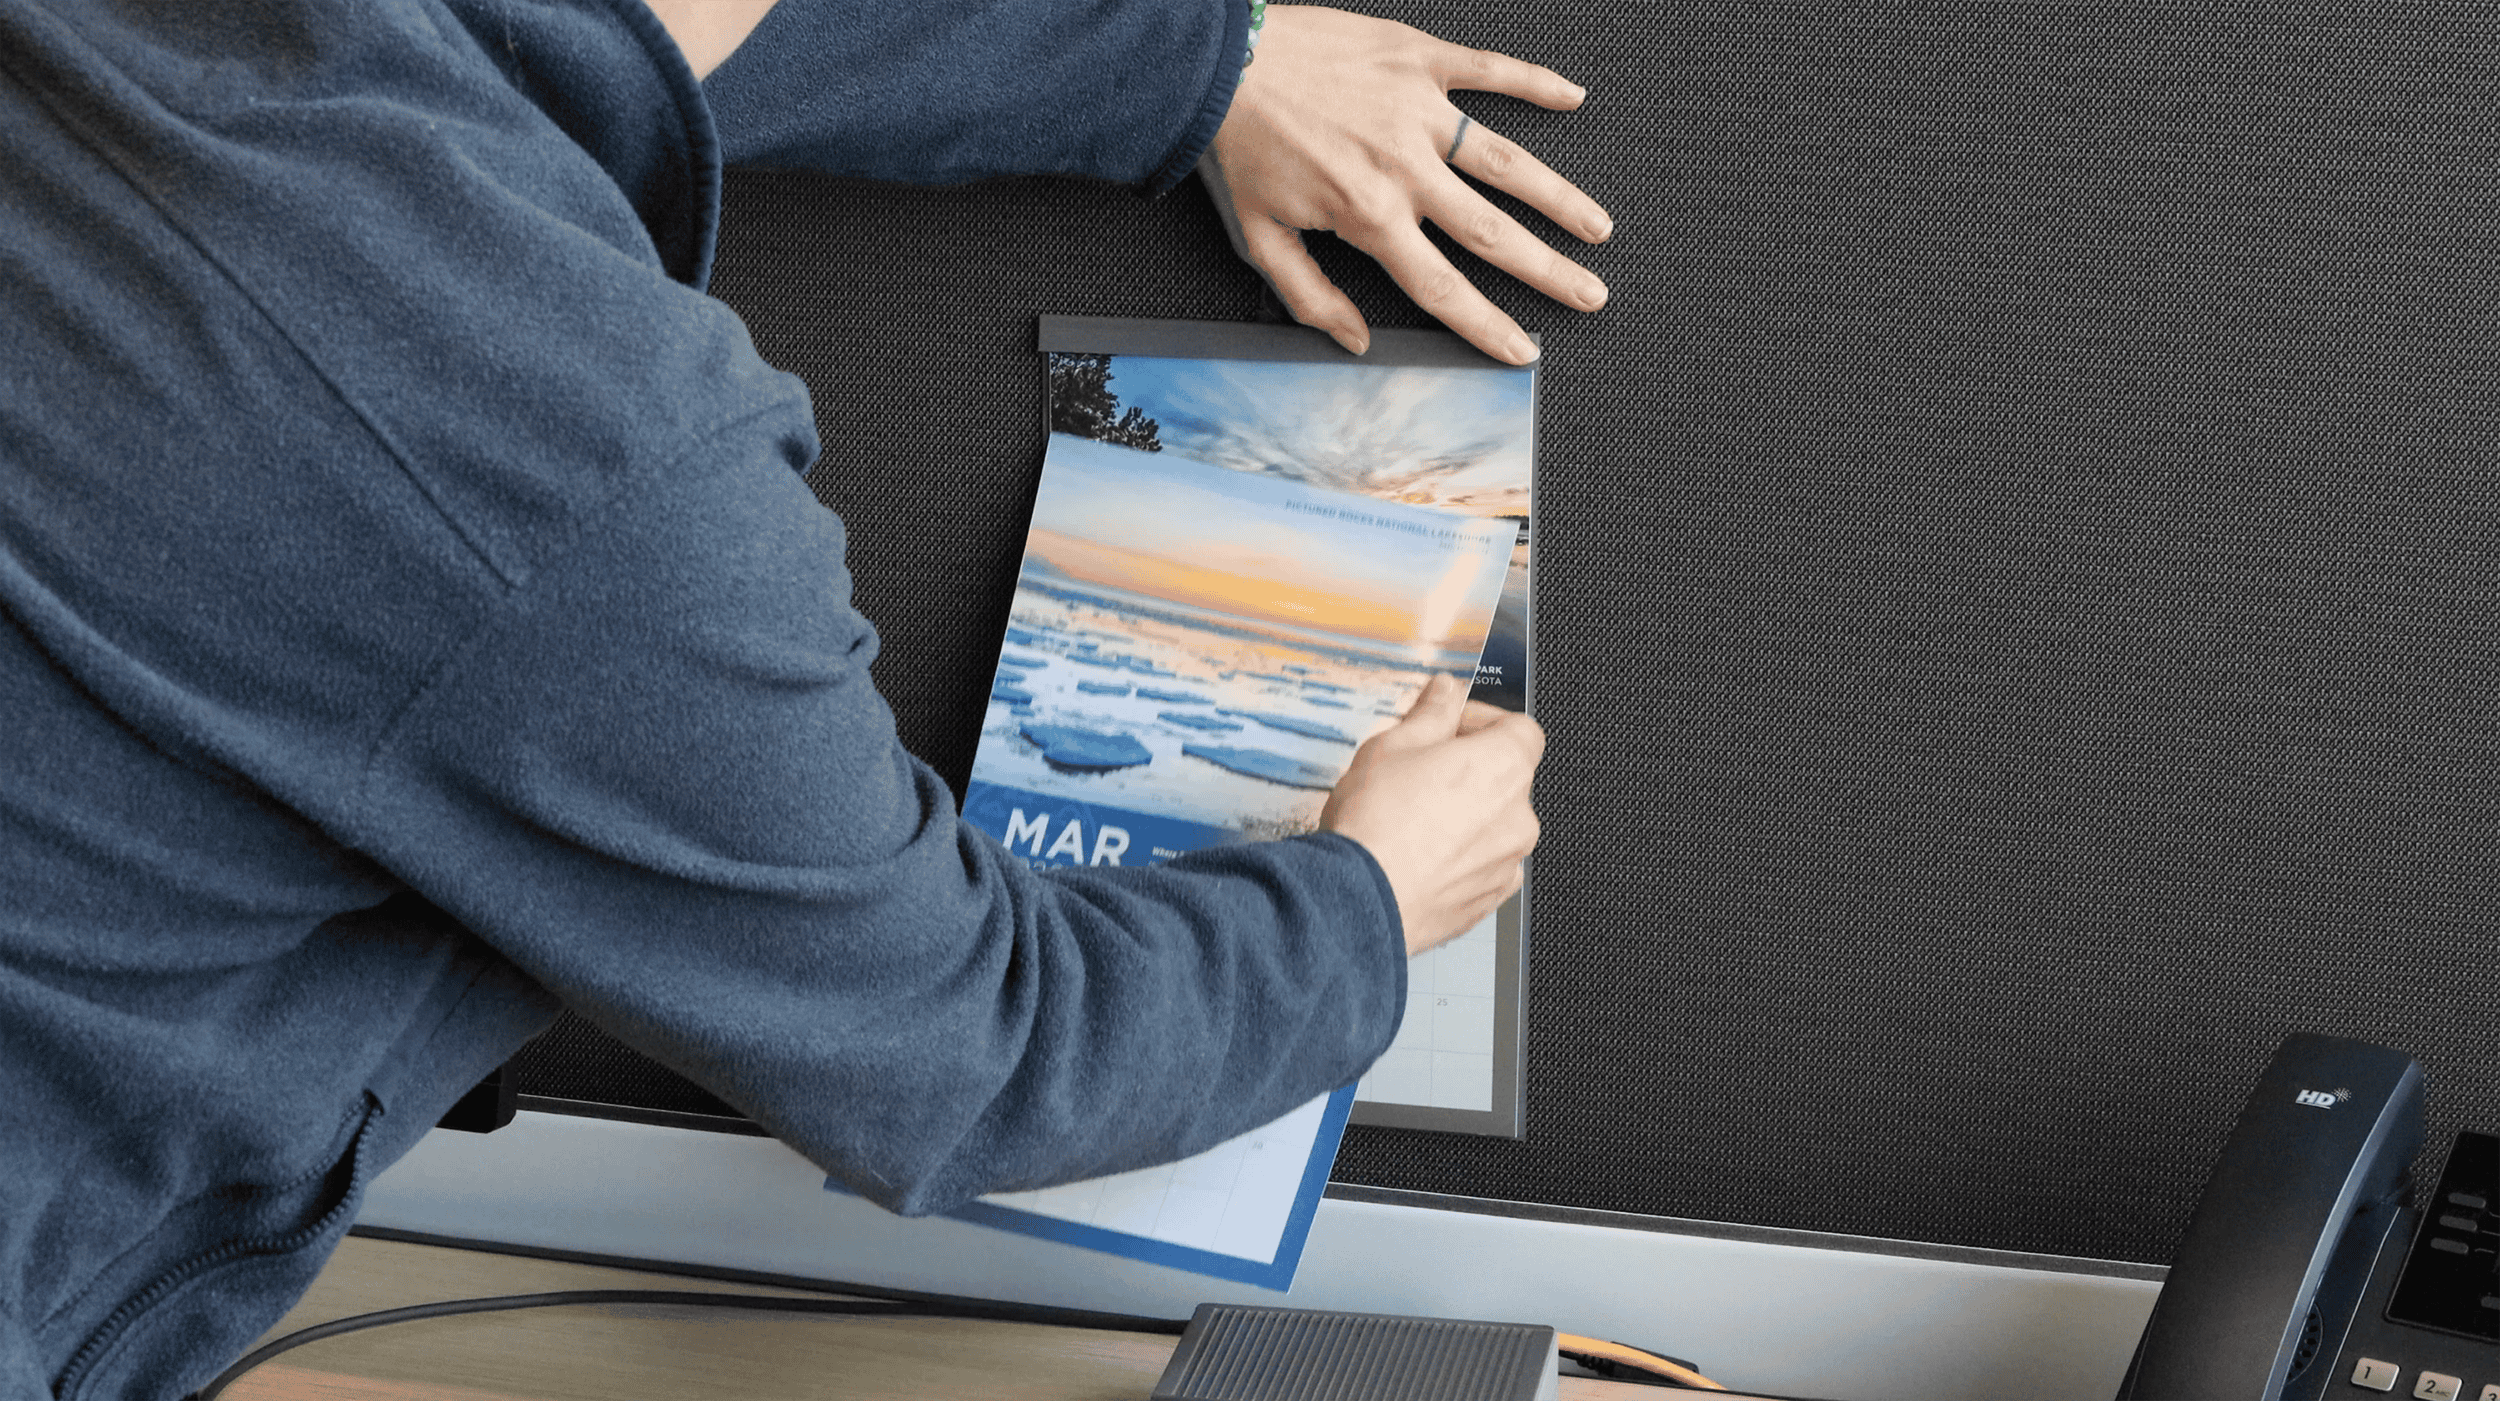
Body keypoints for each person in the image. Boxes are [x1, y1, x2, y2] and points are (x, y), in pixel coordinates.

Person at [0, 0, 1604, 1395]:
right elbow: (976, 1055)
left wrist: (1195, 68)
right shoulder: (581, 472)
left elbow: (583, 45)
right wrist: (1370, 905)